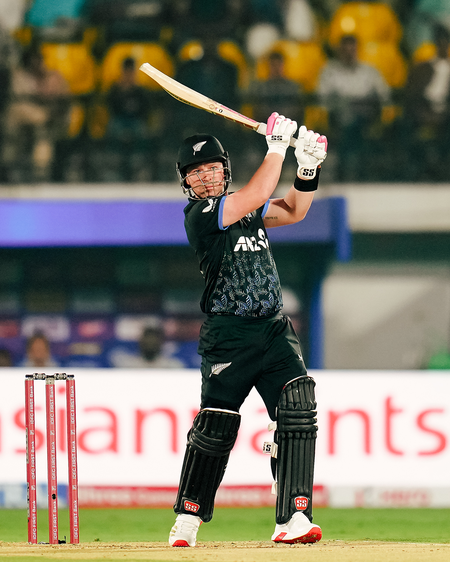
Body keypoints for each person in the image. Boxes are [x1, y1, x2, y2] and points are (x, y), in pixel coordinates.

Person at [167, 112, 327, 546]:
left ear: (225, 170)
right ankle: (188, 518)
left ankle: (293, 517)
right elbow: (257, 192)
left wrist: (307, 167)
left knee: (297, 409)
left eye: (211, 168)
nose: (205, 178)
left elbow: (294, 210)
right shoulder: (201, 215)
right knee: (216, 427)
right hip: (229, 335)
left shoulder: (247, 209)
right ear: (186, 183)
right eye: (195, 173)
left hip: (274, 331)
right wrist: (276, 148)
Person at [317, 33, 391, 181]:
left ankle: (353, 171)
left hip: (367, 118)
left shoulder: (369, 71)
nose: (349, 53)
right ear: (339, 50)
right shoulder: (329, 71)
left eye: (352, 49)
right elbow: (321, 99)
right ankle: (350, 171)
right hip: (338, 118)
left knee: (356, 125)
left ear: (357, 50)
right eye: (345, 50)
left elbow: (385, 96)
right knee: (348, 124)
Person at [2, 43, 71, 182]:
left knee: (44, 134)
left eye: (39, 59)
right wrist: (42, 113)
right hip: (23, 120)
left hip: (52, 120)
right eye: (33, 60)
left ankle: (40, 173)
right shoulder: (19, 76)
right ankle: (6, 167)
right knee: (13, 131)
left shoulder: (53, 76)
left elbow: (66, 99)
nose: (37, 63)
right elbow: (19, 102)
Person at [402, 24, 450, 180]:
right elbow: (411, 95)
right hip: (423, 109)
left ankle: (442, 169)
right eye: (440, 41)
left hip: (446, 112)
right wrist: (423, 112)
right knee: (406, 124)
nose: (443, 45)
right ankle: (417, 170)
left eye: (445, 41)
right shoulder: (422, 68)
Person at [103, 56, 153, 181]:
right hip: (120, 120)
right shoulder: (115, 89)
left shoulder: (140, 91)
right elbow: (111, 109)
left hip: (135, 121)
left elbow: (145, 111)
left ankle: (138, 165)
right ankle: (115, 167)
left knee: (140, 129)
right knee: (115, 127)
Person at [109, 322, 185, 368]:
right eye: (147, 338)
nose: (150, 341)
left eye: (154, 338)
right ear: (140, 341)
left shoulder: (172, 366)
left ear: (161, 342)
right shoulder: (127, 365)